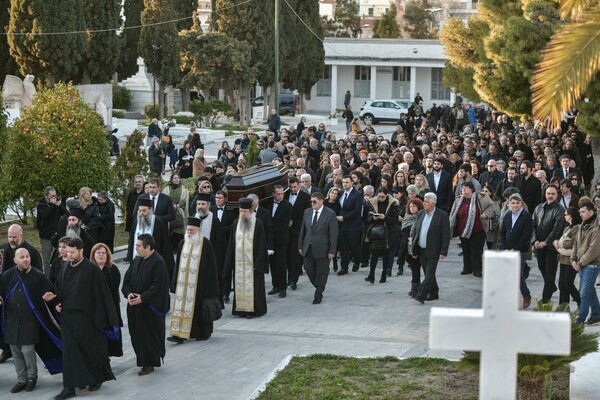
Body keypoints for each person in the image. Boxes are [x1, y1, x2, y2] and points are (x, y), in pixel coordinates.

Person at [45, 237, 119, 399]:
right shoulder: (65, 267)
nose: (69, 255)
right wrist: (57, 301)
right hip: (68, 320)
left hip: (88, 321)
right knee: (71, 354)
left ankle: (96, 378)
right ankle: (69, 388)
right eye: (68, 252)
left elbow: (101, 297)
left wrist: (100, 321)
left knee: (91, 351)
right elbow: (61, 290)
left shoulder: (92, 270)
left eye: (72, 252)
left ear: (81, 251)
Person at [0, 248, 61, 393]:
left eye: (27, 256)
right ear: (15, 260)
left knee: (27, 350)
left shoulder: (39, 276)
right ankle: (22, 380)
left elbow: (51, 293)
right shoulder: (7, 275)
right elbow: (1, 293)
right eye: (22, 257)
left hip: (31, 322)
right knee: (15, 351)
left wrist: (51, 298)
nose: (26, 259)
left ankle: (32, 377)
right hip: (12, 321)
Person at [122, 234, 170, 375]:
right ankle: (142, 360)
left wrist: (142, 298)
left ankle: (149, 362)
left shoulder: (158, 262)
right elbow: (127, 280)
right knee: (136, 334)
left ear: (148, 247)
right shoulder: (137, 260)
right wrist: (129, 293)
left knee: (148, 336)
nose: (135, 248)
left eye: (138, 245)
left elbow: (158, 287)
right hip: (135, 306)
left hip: (149, 308)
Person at [168, 218, 222, 343]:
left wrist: (210, 289)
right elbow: (177, 266)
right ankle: (178, 334)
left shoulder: (206, 245)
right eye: (188, 230)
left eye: (192, 230)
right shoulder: (183, 243)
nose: (189, 232)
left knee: (197, 310)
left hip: (200, 285)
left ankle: (200, 333)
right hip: (183, 286)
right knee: (180, 309)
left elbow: (212, 268)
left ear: (198, 231)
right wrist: (174, 283)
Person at [224, 198, 269, 318]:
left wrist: (258, 262)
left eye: (245, 211)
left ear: (251, 210)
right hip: (239, 264)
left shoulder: (258, 223)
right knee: (239, 285)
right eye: (241, 211)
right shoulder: (235, 224)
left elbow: (261, 244)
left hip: (253, 264)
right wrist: (230, 262)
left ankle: (252, 310)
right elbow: (231, 245)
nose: (243, 214)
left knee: (253, 287)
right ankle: (240, 309)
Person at [409, 193, 450, 303]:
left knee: (429, 274)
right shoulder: (421, 213)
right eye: (424, 201)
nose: (424, 203)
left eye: (426, 202)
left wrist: (443, 251)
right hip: (421, 249)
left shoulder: (442, 215)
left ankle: (421, 295)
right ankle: (434, 292)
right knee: (428, 274)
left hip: (434, 250)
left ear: (433, 203)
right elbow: (416, 231)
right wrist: (414, 248)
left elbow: (446, 235)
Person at [298, 192, 338, 304]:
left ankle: (318, 294)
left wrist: (332, 250)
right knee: (308, 269)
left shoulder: (330, 214)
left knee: (322, 271)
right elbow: (303, 230)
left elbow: (333, 234)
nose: (312, 203)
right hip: (308, 247)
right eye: (311, 201)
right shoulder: (307, 212)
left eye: (314, 201)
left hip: (323, 249)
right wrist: (300, 245)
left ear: (321, 201)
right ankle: (319, 285)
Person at [449, 181, 495, 278]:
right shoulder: (458, 200)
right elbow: (453, 214)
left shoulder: (481, 197)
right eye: (462, 188)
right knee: (466, 249)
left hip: (478, 229)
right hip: (463, 230)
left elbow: (491, 206)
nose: (463, 190)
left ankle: (477, 269)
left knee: (476, 250)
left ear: (472, 189)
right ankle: (467, 268)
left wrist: (486, 214)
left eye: (466, 188)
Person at [499, 193, 534, 309]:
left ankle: (526, 294)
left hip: (520, 251)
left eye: (517, 203)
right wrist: (505, 248)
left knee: (516, 274)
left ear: (521, 203)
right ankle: (508, 298)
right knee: (507, 274)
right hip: (507, 250)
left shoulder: (527, 216)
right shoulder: (507, 215)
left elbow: (526, 236)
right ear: (509, 204)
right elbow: (502, 232)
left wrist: (515, 249)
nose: (515, 205)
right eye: (513, 203)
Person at [532, 185, 565, 303]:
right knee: (542, 268)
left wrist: (546, 242)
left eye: (553, 194)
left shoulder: (560, 209)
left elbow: (557, 229)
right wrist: (535, 240)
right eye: (548, 193)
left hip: (551, 247)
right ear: (545, 194)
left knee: (550, 272)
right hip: (538, 245)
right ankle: (551, 287)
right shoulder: (538, 208)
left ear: (557, 195)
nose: (550, 196)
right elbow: (533, 225)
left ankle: (545, 298)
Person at [127, 198, 174, 279]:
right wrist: (130, 257)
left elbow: (164, 243)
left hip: (153, 263)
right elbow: (131, 241)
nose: (142, 213)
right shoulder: (135, 223)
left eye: (144, 210)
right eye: (140, 210)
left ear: (150, 210)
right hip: (137, 261)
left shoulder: (158, 222)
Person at [90, 243, 123, 357]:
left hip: (110, 307)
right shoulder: (89, 269)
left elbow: (112, 290)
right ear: (93, 255)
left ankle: (107, 356)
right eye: (98, 253)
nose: (101, 255)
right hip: (93, 308)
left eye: (103, 253)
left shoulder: (113, 270)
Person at [571, 202, 600, 325]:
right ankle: (596, 314)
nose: (580, 214)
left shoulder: (597, 228)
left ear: (591, 212)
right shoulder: (582, 225)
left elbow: (593, 250)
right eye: (580, 212)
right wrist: (573, 259)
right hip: (581, 264)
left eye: (583, 212)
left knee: (584, 294)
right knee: (590, 291)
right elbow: (576, 243)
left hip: (591, 265)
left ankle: (579, 320)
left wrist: (580, 262)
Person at [364, 188, 399, 284]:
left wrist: (385, 218)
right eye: (379, 196)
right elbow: (368, 218)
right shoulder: (374, 202)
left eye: (382, 196)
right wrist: (374, 217)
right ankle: (371, 274)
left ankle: (384, 274)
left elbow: (395, 221)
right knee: (374, 254)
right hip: (375, 232)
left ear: (387, 195)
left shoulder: (393, 204)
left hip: (387, 233)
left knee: (385, 255)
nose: (380, 198)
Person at [267, 186, 293, 298]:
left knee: (281, 263)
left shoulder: (287, 205)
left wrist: (270, 232)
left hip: (281, 239)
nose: (281, 196)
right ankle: (275, 285)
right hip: (270, 240)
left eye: (282, 194)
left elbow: (284, 224)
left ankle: (283, 287)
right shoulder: (267, 203)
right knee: (272, 263)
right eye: (278, 194)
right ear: (273, 194)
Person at [554, 207, 581, 308]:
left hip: (571, 259)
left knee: (568, 284)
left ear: (571, 215)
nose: (564, 216)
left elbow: (574, 242)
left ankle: (580, 302)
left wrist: (561, 244)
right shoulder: (567, 227)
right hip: (563, 259)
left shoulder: (577, 227)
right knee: (562, 284)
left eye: (566, 214)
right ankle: (563, 307)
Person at [337, 176, 363, 275]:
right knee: (343, 246)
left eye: (347, 182)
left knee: (354, 246)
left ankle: (357, 261)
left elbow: (356, 211)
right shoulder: (341, 193)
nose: (345, 184)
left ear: (352, 183)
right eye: (343, 182)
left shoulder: (357, 194)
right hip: (343, 225)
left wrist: (344, 217)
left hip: (353, 225)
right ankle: (344, 267)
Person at [36, 186, 66, 273]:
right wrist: (52, 205)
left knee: (58, 258)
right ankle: (47, 278)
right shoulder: (41, 205)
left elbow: (65, 213)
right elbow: (45, 215)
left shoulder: (55, 204)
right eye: (52, 195)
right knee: (47, 260)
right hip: (46, 237)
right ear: (46, 196)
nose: (54, 197)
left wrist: (59, 205)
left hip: (57, 236)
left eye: (55, 195)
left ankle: (57, 278)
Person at [402, 198, 424, 297]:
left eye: (414, 206)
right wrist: (409, 238)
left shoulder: (423, 217)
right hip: (409, 248)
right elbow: (403, 232)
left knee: (426, 270)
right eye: (410, 206)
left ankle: (429, 288)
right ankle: (414, 289)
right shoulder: (407, 217)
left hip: (421, 247)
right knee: (414, 269)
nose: (412, 208)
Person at [162, 173, 190, 249]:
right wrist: (171, 205)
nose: (177, 179)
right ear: (171, 179)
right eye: (174, 178)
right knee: (170, 229)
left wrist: (178, 205)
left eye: (178, 178)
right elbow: (163, 200)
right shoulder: (166, 189)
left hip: (180, 212)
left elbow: (185, 201)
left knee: (179, 229)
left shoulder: (184, 189)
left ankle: (179, 247)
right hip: (169, 211)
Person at [125, 175, 145, 239]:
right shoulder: (131, 194)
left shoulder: (145, 194)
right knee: (132, 240)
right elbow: (128, 208)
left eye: (139, 182)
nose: (137, 183)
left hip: (142, 221)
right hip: (132, 222)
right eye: (136, 182)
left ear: (143, 182)